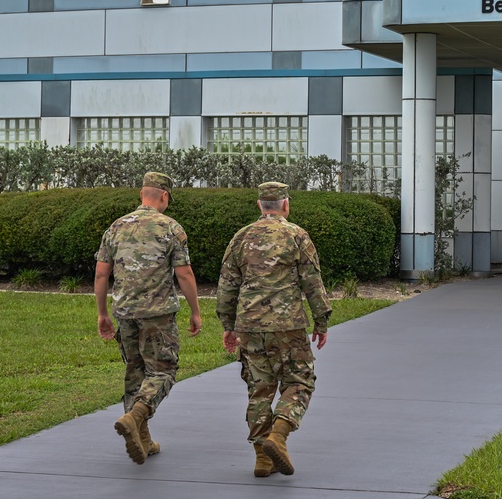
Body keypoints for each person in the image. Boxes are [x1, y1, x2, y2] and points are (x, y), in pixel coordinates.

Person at [216, 181, 331, 478]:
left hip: (250, 325)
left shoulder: (241, 237)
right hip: (288, 324)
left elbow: (227, 285)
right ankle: (279, 435)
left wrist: (228, 326)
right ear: (285, 204)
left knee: (259, 390)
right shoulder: (297, 236)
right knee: (300, 381)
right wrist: (321, 321)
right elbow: (312, 283)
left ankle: (262, 459)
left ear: (259, 205)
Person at [94, 171, 202, 465]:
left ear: (142, 194)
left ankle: (142, 438)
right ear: (164, 196)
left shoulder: (115, 227)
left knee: (135, 371)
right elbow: (184, 274)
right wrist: (195, 311)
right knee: (163, 371)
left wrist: (103, 313)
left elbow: (102, 273)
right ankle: (136, 415)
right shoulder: (171, 228)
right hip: (159, 314)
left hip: (125, 312)